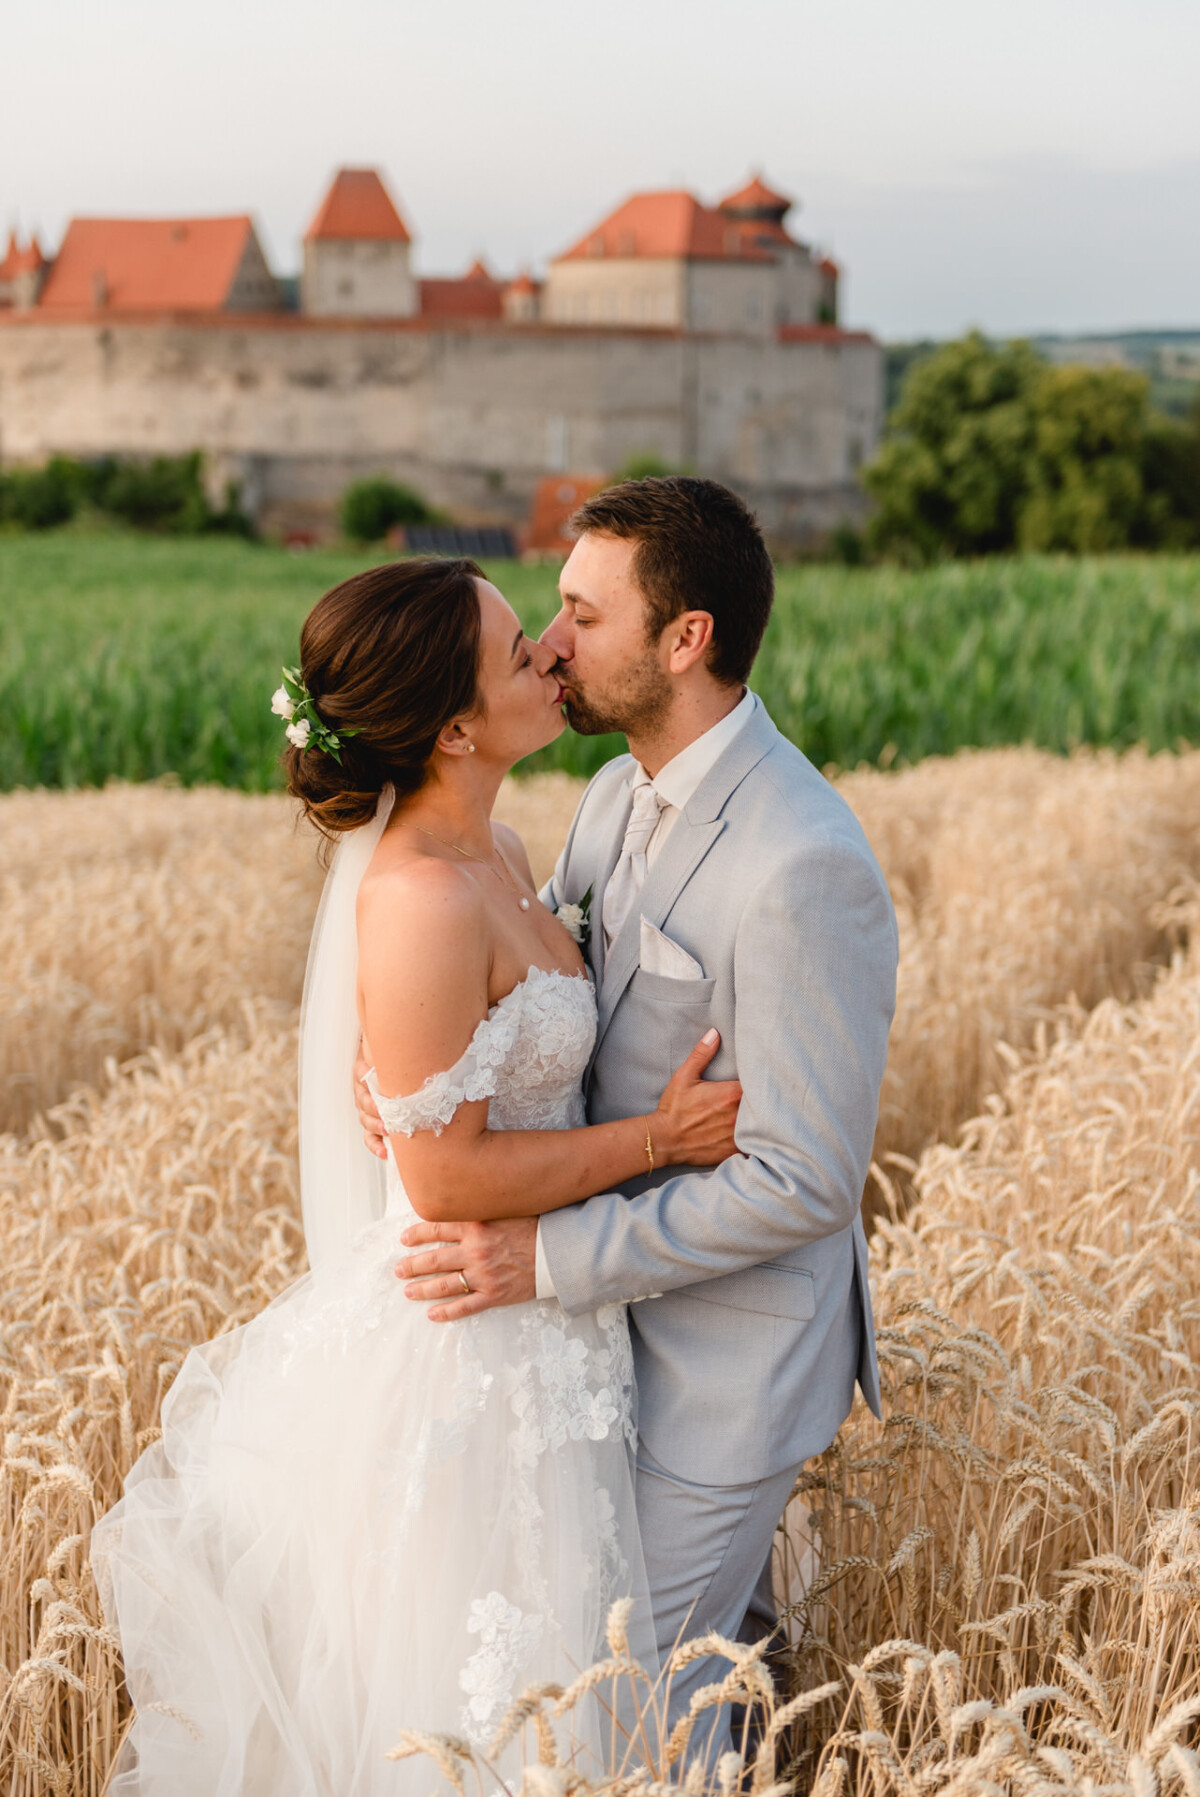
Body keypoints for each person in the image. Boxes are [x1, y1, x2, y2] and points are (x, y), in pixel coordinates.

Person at [90, 555, 743, 1796]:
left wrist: (398, 1068)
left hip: (551, 1327)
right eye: (516, 653)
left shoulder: (497, 845)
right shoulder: (422, 899)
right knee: (485, 1708)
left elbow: (481, 1047)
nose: (550, 654)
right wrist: (660, 1141)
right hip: (471, 1346)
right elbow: (444, 1184)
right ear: (452, 726)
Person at [365, 478, 899, 1756]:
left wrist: (543, 1259)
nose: (550, 645)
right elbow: (523, 983)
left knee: (624, 1699)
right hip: (592, 1362)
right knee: (641, 1695)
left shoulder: (803, 862)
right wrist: (400, 1069)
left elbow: (803, 1182)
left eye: (580, 616)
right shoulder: (612, 796)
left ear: (685, 640)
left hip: (721, 1364)